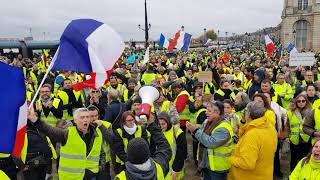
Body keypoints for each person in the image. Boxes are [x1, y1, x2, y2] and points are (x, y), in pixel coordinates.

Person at [28, 107, 113, 180]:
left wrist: (99, 168)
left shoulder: (97, 132)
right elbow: (48, 130)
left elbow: (101, 152)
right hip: (70, 177)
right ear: (75, 120)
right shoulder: (67, 134)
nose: (85, 119)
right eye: (82, 117)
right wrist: (34, 120)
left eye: (87, 117)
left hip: (91, 176)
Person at [228, 102, 278, 180]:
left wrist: (231, 158)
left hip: (249, 176)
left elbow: (247, 163)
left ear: (248, 114)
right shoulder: (269, 127)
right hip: (265, 174)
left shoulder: (252, 135)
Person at [115, 114, 172, 180]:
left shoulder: (121, 177)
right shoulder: (159, 167)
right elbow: (165, 147)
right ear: (147, 152)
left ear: (129, 155)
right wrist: (151, 125)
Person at [186, 101, 233, 180]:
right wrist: (193, 130)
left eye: (209, 111)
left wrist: (195, 131)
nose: (206, 112)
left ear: (218, 113)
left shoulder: (224, 128)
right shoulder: (208, 122)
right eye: (206, 110)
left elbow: (211, 142)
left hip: (217, 168)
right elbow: (200, 136)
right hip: (206, 164)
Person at [158, 112, 187, 180]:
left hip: (175, 170)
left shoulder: (177, 132)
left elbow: (182, 153)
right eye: (159, 124)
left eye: (163, 124)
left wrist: (175, 169)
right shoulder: (157, 132)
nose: (161, 126)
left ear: (168, 122)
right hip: (162, 169)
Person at [287, 94, 312, 171]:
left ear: (306, 102)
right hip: (294, 140)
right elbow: (287, 126)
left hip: (306, 140)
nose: (301, 103)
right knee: (293, 161)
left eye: (303, 101)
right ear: (296, 102)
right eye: (299, 101)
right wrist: (287, 137)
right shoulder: (290, 112)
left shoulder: (311, 112)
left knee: (304, 160)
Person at [88, 105, 113, 180]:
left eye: (96, 115)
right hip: (90, 162)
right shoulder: (85, 127)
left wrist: (102, 127)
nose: (94, 118)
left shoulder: (106, 125)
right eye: (91, 116)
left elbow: (111, 140)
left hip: (104, 161)